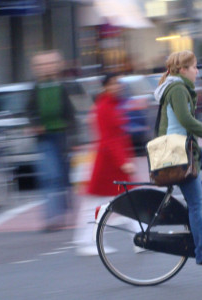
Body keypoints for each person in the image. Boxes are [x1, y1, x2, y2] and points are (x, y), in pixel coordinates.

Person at [153, 50, 202, 269]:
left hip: (186, 150)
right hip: (177, 155)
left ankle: (200, 214)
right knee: (196, 205)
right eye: (195, 67)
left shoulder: (180, 87)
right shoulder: (177, 88)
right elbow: (186, 120)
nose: (197, 71)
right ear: (183, 70)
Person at [73, 73, 136, 256]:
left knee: (125, 200)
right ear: (106, 86)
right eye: (114, 83)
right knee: (100, 204)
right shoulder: (104, 107)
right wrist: (123, 162)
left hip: (111, 163)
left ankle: (139, 235)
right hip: (109, 165)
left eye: (119, 83)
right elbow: (110, 138)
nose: (118, 86)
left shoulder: (110, 105)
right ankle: (88, 241)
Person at [26, 50, 76, 232]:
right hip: (44, 138)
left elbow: (71, 113)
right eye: (41, 65)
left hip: (62, 136)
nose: (45, 68)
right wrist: (35, 124)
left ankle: (62, 212)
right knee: (49, 176)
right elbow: (29, 111)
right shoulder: (35, 89)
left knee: (62, 176)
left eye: (49, 64)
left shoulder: (61, 87)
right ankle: (51, 217)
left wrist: (74, 136)